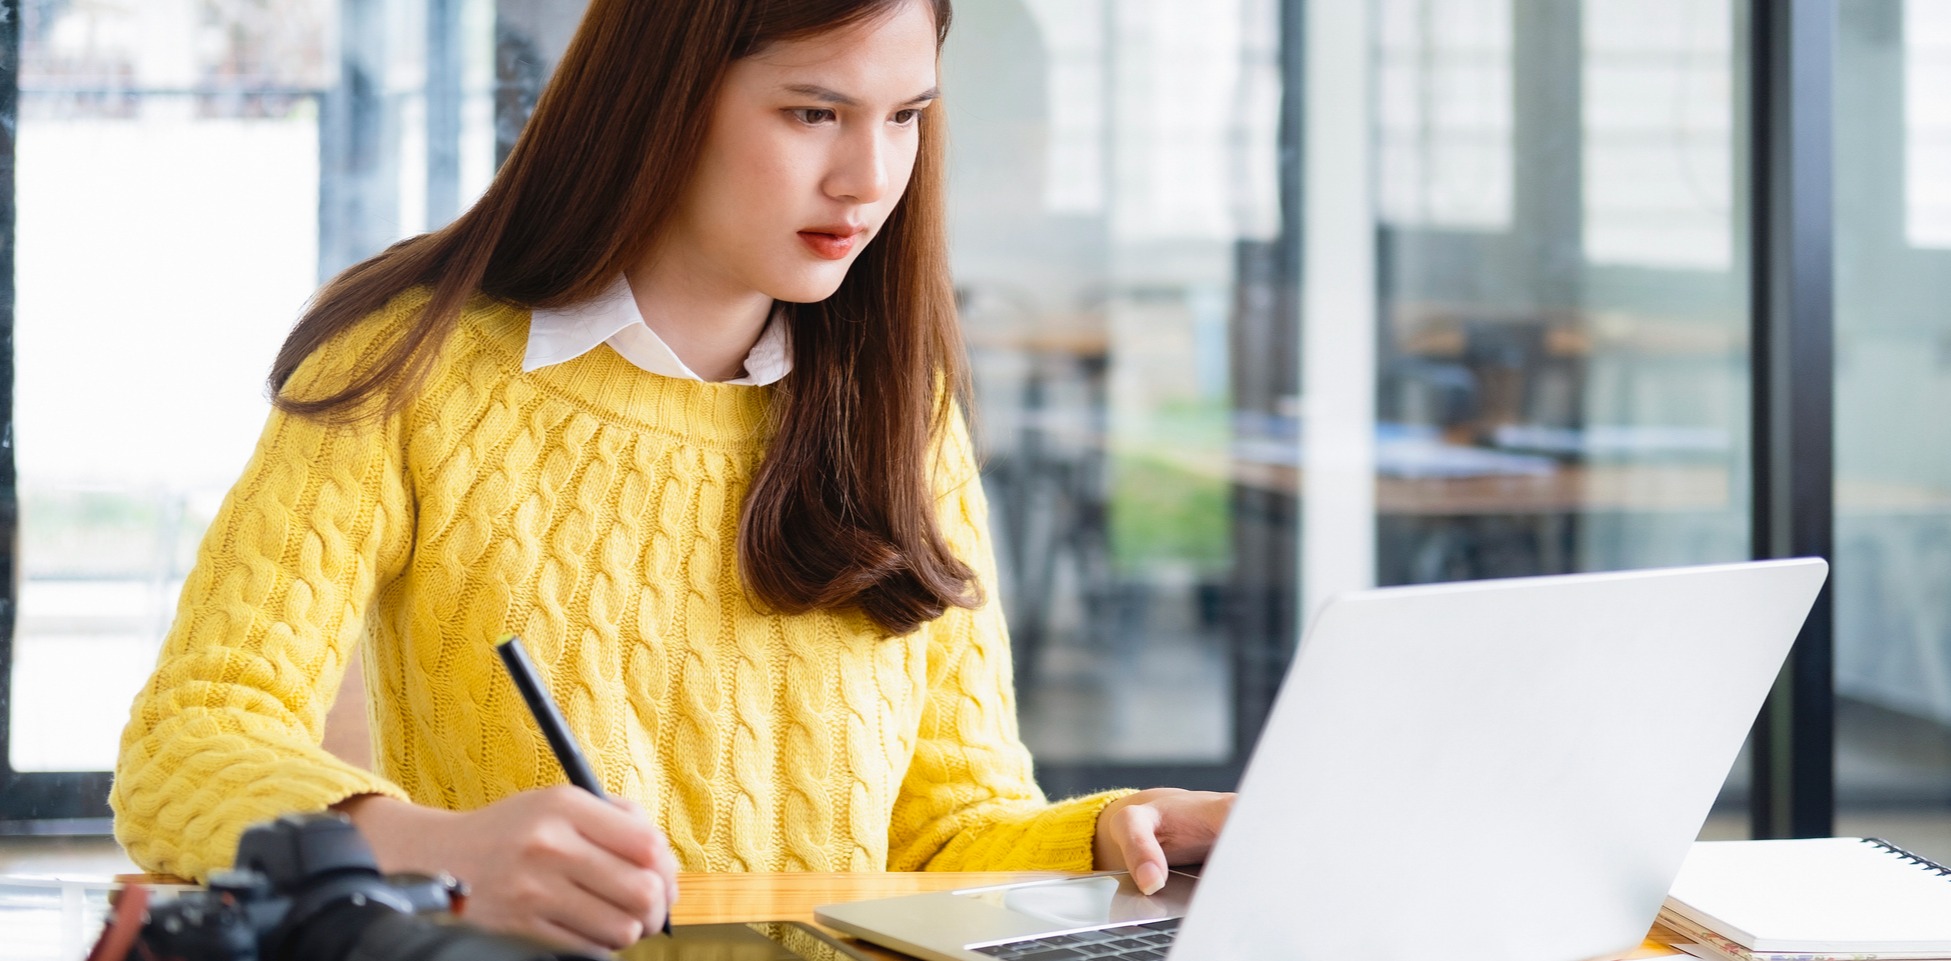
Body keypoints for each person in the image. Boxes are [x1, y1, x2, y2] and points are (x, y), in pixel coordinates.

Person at [108, 0, 1232, 952]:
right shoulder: (414, 367)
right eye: (813, 113)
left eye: (905, 117)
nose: (869, 177)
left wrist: (1109, 836)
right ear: (664, 98)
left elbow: (943, 839)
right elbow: (188, 743)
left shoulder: (899, 403)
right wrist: (434, 853)